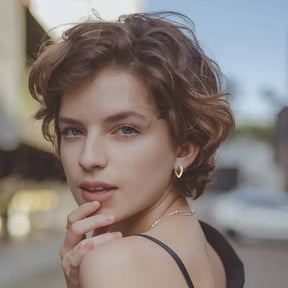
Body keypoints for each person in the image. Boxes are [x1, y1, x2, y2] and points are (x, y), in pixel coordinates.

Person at [29, 11, 244, 288]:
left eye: (126, 129)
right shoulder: (209, 247)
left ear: (183, 150)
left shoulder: (114, 263)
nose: (88, 158)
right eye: (73, 131)